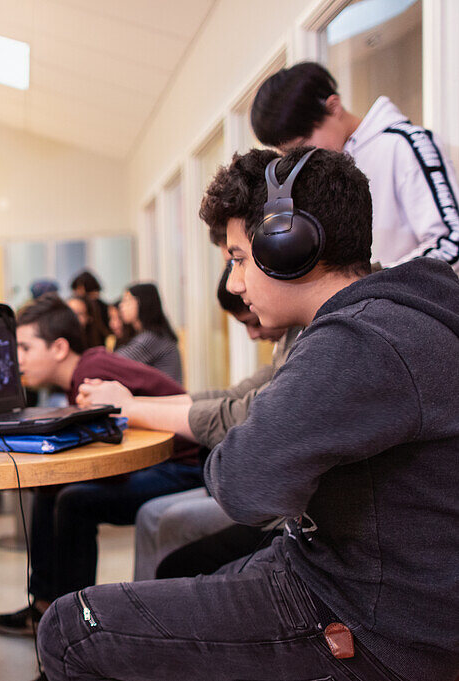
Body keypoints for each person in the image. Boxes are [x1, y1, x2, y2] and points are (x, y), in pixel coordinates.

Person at [39, 147, 459, 681]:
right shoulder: (397, 312)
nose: (235, 283)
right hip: (336, 575)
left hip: (368, 626)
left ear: (291, 245)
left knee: (71, 628)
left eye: (238, 258)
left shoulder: (358, 342)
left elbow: (241, 485)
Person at [0, 295, 202, 637]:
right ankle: (46, 607)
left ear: (59, 348)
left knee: (75, 502)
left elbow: (115, 463)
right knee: (52, 489)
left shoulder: (91, 377)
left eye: (25, 348)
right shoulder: (90, 366)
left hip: (186, 466)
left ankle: (73, 631)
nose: (17, 359)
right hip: (171, 461)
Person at [80, 264, 298, 581]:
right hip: (256, 487)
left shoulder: (150, 340)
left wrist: (130, 406)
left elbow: (237, 412)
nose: (236, 280)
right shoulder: (291, 343)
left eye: (238, 259)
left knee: (157, 522)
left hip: (270, 503)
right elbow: (233, 397)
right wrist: (131, 405)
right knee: (149, 515)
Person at [252, 61, 459, 271]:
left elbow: (452, 243)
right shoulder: (326, 173)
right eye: (288, 153)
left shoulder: (403, 144)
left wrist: (371, 279)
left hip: (412, 301)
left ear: (333, 107)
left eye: (301, 144)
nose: (300, 158)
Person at [112, 282, 183, 383]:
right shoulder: (154, 334)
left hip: (163, 397)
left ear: (143, 303)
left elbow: (112, 363)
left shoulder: (152, 338)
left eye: (127, 301)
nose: (121, 306)